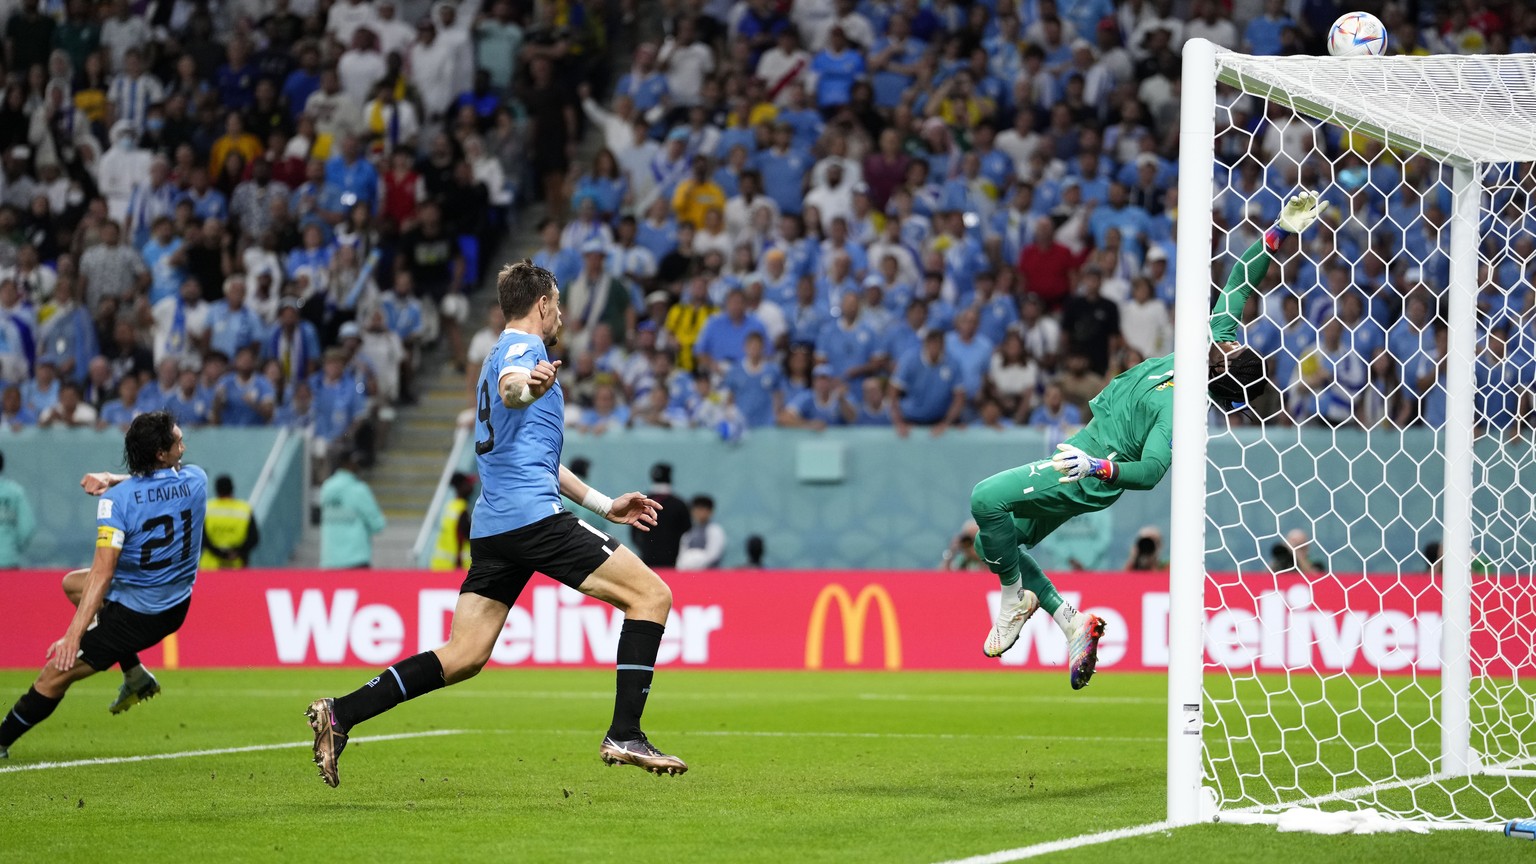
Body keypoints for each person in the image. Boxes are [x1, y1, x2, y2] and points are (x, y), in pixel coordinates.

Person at [304, 261, 687, 788]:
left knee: (464, 655)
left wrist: (603, 505)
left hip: (495, 526)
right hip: (531, 519)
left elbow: (536, 457)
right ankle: (625, 732)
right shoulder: (521, 350)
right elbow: (512, 390)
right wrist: (530, 384)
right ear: (544, 305)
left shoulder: (498, 354)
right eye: (557, 303)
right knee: (652, 597)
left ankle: (341, 712)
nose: (560, 314)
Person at [968, 190, 1326, 690]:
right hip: (1082, 448)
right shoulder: (1207, 349)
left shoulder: (1179, 406)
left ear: (1221, 368)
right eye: (1231, 339)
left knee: (984, 499)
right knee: (997, 543)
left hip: (1086, 470)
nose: (1226, 334)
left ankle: (1012, 602)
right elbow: (1241, 283)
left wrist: (1098, 469)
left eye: (1229, 345)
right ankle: (1070, 620)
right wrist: (1280, 232)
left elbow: (1154, 470)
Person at [0, 413, 206, 758]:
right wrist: (114, 479)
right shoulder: (197, 480)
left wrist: (73, 635)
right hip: (176, 602)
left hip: (139, 613)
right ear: (161, 454)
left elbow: (103, 573)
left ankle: (2, 740)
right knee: (73, 585)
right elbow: (159, 484)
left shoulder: (118, 501)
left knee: (55, 674)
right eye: (178, 442)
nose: (183, 446)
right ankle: (136, 675)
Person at [318, 450, 386, 569]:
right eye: (356, 462)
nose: (359, 466)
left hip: (329, 561)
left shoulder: (326, 488)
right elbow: (378, 524)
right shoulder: (358, 490)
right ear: (348, 464)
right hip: (355, 560)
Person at [631, 462, 691, 568]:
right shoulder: (678, 503)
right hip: (671, 559)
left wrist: (643, 547)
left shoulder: (641, 502)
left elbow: (634, 532)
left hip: (647, 557)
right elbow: (687, 531)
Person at [200, 474, 259, 570]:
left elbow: (202, 538)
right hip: (236, 565)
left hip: (210, 567)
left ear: (217, 490)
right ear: (232, 488)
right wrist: (237, 553)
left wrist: (219, 553)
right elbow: (253, 538)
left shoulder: (207, 508)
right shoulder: (244, 509)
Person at [429, 472, 476, 571]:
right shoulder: (462, 511)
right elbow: (466, 537)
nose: (472, 487)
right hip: (455, 567)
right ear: (461, 486)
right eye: (468, 484)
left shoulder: (450, 506)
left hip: (440, 565)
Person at [0, 450, 35, 568]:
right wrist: (12, 547)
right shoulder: (15, 491)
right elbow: (27, 526)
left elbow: (28, 526)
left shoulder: (16, 492)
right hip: (8, 559)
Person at [675, 495, 726, 570]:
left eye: (703, 509)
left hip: (709, 573)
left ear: (710, 511)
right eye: (697, 509)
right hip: (688, 573)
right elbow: (681, 556)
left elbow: (713, 555)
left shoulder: (715, 530)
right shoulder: (688, 533)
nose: (700, 513)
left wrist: (695, 562)